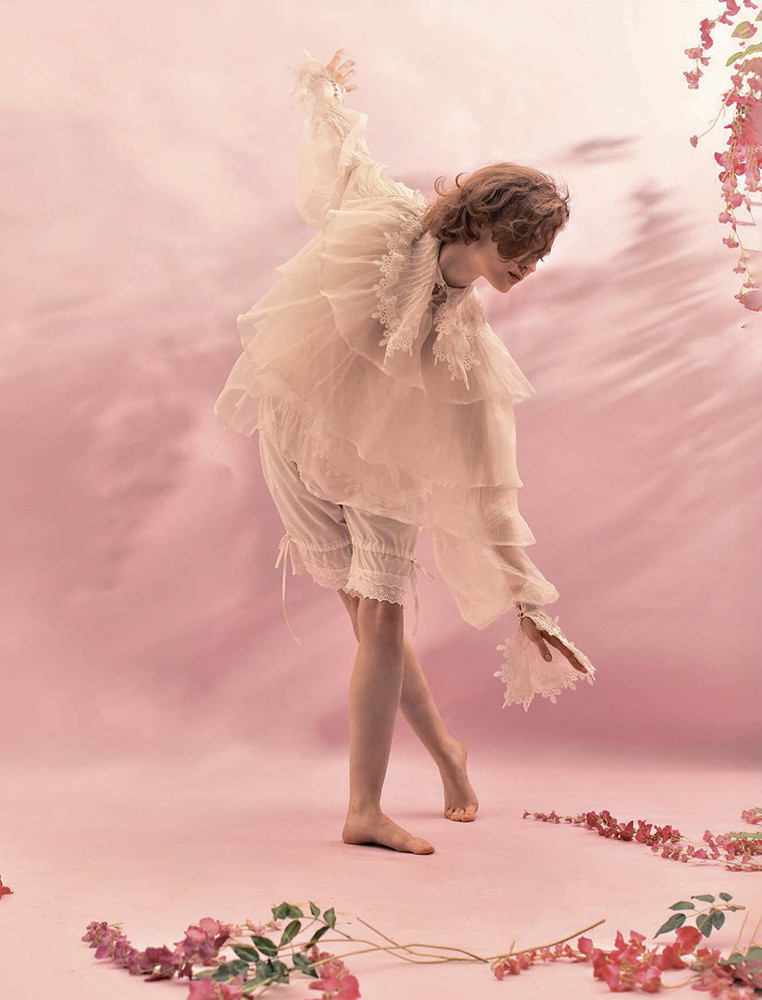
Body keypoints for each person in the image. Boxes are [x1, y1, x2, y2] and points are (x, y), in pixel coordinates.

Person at [211, 48, 596, 855]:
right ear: (480, 225)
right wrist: (324, 90)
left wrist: (527, 601)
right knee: (367, 620)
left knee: (381, 612)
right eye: (522, 245)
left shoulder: (470, 351)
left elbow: (490, 480)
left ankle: (365, 809)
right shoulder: (389, 226)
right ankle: (449, 753)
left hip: (386, 463)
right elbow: (346, 163)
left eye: (542, 252)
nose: (531, 265)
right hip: (300, 424)